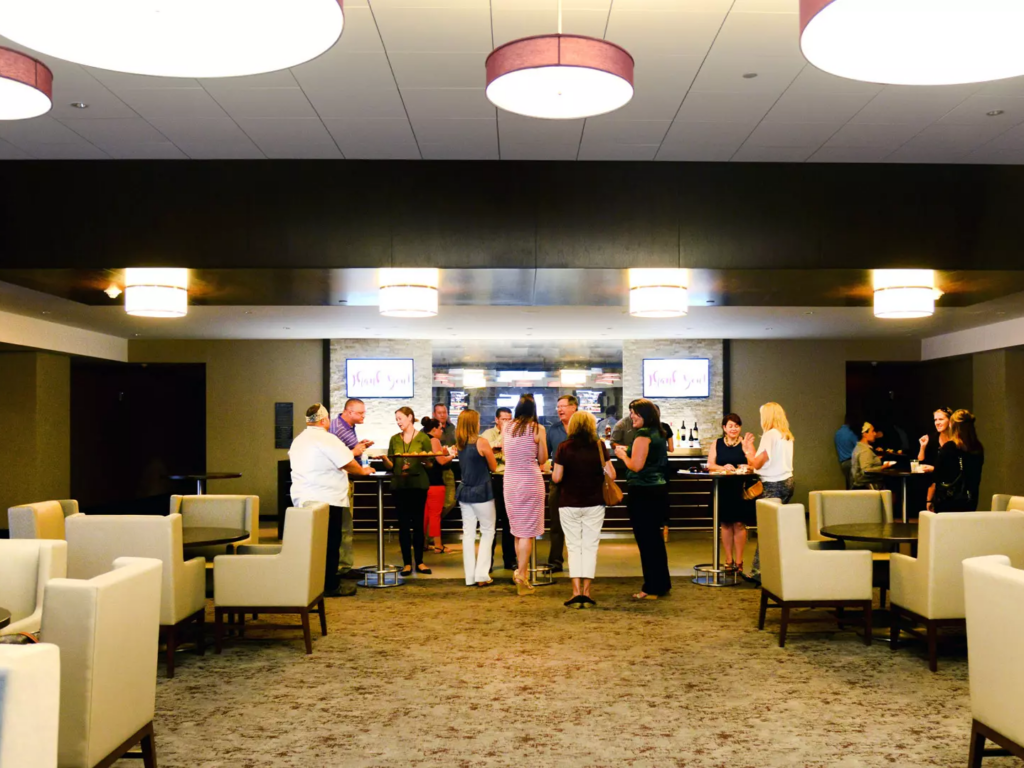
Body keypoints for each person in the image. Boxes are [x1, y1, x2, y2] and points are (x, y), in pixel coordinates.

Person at [288, 403, 375, 597]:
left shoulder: (299, 440)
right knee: (330, 543)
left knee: (312, 543)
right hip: (327, 500)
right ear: (324, 420)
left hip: (303, 499)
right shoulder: (327, 439)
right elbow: (348, 462)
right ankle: (330, 585)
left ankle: (311, 582)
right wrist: (363, 471)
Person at [552, 410, 615, 608]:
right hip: (594, 503)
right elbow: (612, 474)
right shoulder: (599, 445)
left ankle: (575, 591)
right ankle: (587, 591)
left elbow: (556, 477)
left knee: (573, 546)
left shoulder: (563, 447)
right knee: (590, 546)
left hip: (569, 503)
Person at [614, 399, 671, 600]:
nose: (632, 417)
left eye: (635, 413)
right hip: (658, 490)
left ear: (645, 415)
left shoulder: (643, 435)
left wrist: (622, 455)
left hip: (642, 492)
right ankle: (662, 583)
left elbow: (636, 466)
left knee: (646, 541)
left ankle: (651, 586)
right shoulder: (659, 433)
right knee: (655, 540)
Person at [742, 402, 795, 584]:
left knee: (766, 530)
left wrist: (746, 452)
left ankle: (759, 573)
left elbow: (756, 464)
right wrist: (751, 448)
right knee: (776, 528)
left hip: (772, 485)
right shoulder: (785, 435)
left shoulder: (770, 434)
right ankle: (776, 569)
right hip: (787, 482)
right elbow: (763, 460)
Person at [380, 407, 434, 576]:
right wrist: (384, 459)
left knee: (418, 524)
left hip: (418, 485)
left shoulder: (423, 438)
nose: (398, 422)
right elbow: (391, 465)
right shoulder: (394, 439)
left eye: (400, 418)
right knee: (403, 525)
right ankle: (406, 563)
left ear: (410, 417)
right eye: (396, 419)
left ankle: (420, 561)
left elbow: (430, 464)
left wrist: (423, 460)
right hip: (399, 485)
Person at [503, 394, 548, 595]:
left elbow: (506, 454)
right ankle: (522, 575)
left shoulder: (507, 427)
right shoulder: (537, 428)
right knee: (528, 532)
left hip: (510, 482)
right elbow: (543, 458)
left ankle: (522, 573)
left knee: (517, 531)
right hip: (530, 482)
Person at [328, 397, 374, 580]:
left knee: (343, 526)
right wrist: (356, 454)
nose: (363, 416)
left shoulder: (345, 427)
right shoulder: (338, 429)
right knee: (344, 526)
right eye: (360, 413)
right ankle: (342, 568)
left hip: (340, 482)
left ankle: (341, 566)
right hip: (340, 482)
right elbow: (337, 457)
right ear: (348, 412)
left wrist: (358, 447)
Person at [455, 409, 499, 586]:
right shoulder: (482, 442)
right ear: (474, 423)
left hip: (464, 491)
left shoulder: (459, 444)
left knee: (468, 534)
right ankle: (482, 575)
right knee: (487, 531)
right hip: (482, 492)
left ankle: (470, 577)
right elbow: (493, 467)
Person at [706, 413, 755, 571]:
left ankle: (739, 562)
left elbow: (754, 464)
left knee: (739, 524)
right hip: (722, 487)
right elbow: (710, 465)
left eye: (737, 425)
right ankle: (728, 560)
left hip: (740, 488)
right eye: (730, 426)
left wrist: (745, 466)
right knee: (725, 524)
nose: (734, 429)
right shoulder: (717, 443)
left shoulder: (745, 443)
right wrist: (724, 467)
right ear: (724, 428)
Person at [544, 394, 578, 572]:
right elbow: (544, 455)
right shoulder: (553, 429)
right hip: (557, 483)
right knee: (556, 524)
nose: (560, 410)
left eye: (563, 406)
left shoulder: (584, 429)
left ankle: (578, 563)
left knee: (577, 525)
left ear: (574, 407)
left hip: (579, 483)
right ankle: (555, 561)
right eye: (558, 407)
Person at [931, 409, 984, 513]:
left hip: (949, 500)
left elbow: (937, 474)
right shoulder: (977, 447)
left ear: (952, 425)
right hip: (970, 498)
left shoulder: (949, 447)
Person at [482, 407, 516, 570]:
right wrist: (502, 436)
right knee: (492, 522)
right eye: (504, 419)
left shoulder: (516, 434)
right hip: (494, 480)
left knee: (510, 522)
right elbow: (486, 454)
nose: (507, 423)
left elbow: (513, 457)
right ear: (496, 420)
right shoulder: (488, 434)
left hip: (510, 479)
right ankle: (487, 562)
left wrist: (497, 451)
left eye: (509, 419)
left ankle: (510, 560)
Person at [421, 416, 456, 555]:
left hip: (425, 482)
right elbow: (440, 461)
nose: (442, 431)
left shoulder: (422, 438)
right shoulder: (434, 440)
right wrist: (452, 455)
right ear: (434, 429)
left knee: (425, 515)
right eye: (440, 429)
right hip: (435, 482)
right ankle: (438, 545)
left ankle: (423, 543)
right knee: (435, 515)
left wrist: (443, 453)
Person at [919, 407, 953, 511]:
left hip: (952, 488)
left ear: (950, 420)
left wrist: (934, 469)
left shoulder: (956, 439)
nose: (937, 423)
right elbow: (921, 461)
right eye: (935, 420)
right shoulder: (933, 438)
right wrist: (922, 447)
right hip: (934, 487)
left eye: (941, 419)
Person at [434, 403, 458, 517]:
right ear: (434, 414)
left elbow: (457, 443)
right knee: (433, 504)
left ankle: (436, 520)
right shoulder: (427, 429)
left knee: (451, 501)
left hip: (448, 468)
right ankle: (433, 523)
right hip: (433, 470)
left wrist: (455, 449)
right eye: (439, 413)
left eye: (444, 412)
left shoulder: (452, 428)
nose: (442, 415)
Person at [850, 422, 889, 490]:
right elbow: (866, 471)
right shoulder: (865, 450)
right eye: (872, 431)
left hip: (860, 486)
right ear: (865, 434)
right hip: (867, 488)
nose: (875, 433)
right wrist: (883, 467)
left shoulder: (860, 447)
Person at [834, 417, 859, 489]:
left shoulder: (837, 433)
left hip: (843, 463)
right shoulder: (851, 433)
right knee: (855, 485)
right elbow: (859, 447)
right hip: (852, 462)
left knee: (849, 484)